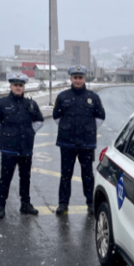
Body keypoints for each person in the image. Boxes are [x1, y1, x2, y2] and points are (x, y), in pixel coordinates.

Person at [0, 73, 44, 219]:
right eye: (16, 85)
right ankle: (0, 206)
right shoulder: (1, 103)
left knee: (25, 178)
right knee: (5, 178)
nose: (18, 88)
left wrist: (31, 131)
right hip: (9, 149)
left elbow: (40, 120)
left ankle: (25, 204)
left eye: (21, 85)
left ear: (24, 87)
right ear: (10, 86)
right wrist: (2, 132)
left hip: (26, 148)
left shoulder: (30, 104)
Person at [53, 65, 105, 215]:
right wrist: (68, 128)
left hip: (86, 143)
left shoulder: (93, 97)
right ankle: (63, 203)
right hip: (67, 142)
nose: (77, 80)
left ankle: (90, 202)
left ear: (84, 78)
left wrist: (88, 129)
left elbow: (100, 117)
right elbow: (57, 117)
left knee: (87, 174)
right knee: (65, 174)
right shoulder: (62, 96)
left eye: (80, 77)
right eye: (75, 77)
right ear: (71, 78)